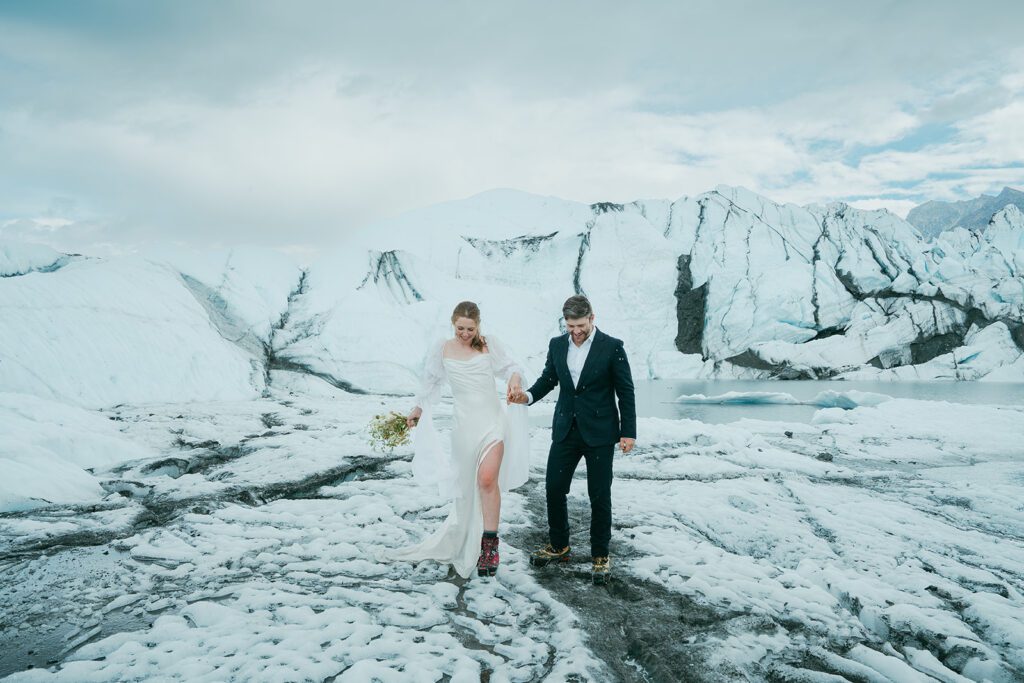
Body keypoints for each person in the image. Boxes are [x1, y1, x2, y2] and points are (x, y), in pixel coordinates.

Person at [391, 301, 530, 578]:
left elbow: (512, 367)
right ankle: (467, 537)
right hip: (464, 429)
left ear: (478, 325)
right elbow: (430, 383)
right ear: (453, 324)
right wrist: (418, 409)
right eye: (460, 328)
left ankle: (490, 545)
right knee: (467, 489)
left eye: (470, 328)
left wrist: (514, 381)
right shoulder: (442, 349)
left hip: (492, 422)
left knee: (487, 479)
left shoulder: (489, 345)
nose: (465, 333)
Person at [509, 294, 635, 584]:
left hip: (601, 433)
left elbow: (625, 391)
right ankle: (559, 545)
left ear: (592, 318)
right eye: (570, 326)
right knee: (553, 487)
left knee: (599, 495)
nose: (576, 331)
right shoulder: (557, 345)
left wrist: (628, 432)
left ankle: (600, 556)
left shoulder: (612, 347)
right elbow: (548, 379)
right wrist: (525, 397)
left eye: (580, 325)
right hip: (566, 429)